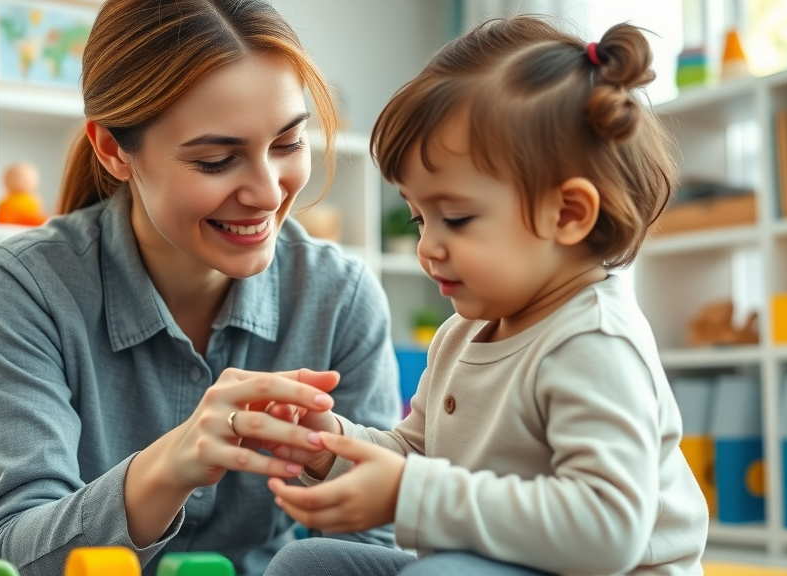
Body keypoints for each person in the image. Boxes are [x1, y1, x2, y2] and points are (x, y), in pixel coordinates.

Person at [0, 1, 401, 575]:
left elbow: (372, 553)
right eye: (218, 160)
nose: (268, 193)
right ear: (114, 150)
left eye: (289, 144)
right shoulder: (28, 286)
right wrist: (169, 465)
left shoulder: (341, 297)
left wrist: (338, 475)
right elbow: (7, 557)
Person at [263, 14, 709, 576]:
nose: (429, 246)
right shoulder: (462, 333)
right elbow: (417, 458)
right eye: (419, 217)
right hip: (485, 566)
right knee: (307, 564)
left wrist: (411, 492)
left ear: (567, 214)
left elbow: (608, 530)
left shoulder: (594, 342)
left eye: (456, 217)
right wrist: (334, 448)